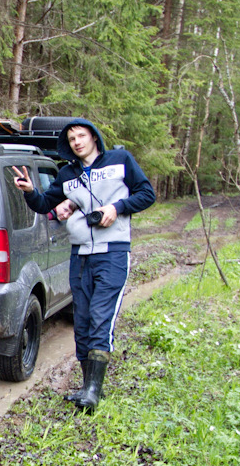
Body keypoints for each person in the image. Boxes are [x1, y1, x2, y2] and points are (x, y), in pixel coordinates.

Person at [13, 117, 155, 409]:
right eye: (72, 138)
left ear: (93, 137)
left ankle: (93, 391)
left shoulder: (120, 160)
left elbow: (147, 194)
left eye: (81, 135)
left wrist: (117, 207)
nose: (77, 142)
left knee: (101, 317)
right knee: (84, 321)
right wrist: (29, 191)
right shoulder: (67, 174)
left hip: (112, 252)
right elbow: (44, 204)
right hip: (80, 256)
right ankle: (86, 387)